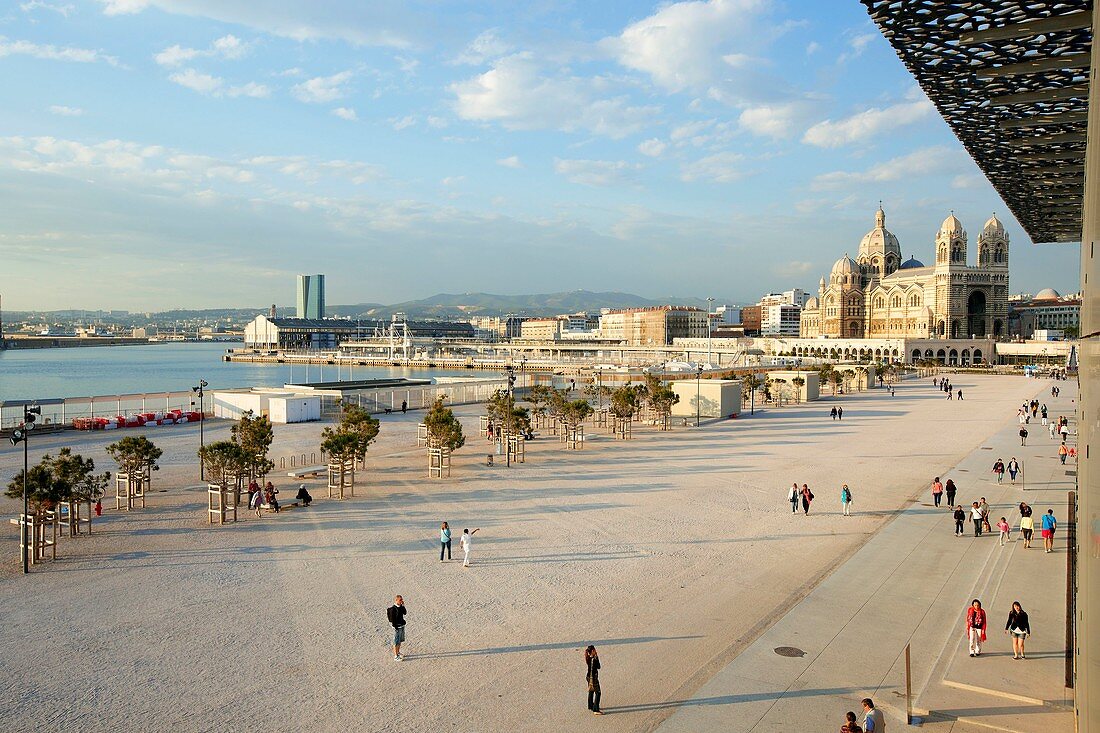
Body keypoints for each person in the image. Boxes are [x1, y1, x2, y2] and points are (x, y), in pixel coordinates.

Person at [387, 595, 407, 661]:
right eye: (400, 600)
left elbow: (405, 613)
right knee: (396, 641)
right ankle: (396, 656)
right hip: (397, 627)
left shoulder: (400, 607)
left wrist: (403, 605)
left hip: (401, 626)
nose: (401, 601)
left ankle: (398, 652)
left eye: (402, 599)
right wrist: (396, 627)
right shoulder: (393, 609)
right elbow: (393, 620)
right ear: (396, 600)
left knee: (399, 640)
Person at [584, 646, 602, 715]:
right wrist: (597, 657)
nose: (596, 651)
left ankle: (590, 705)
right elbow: (598, 667)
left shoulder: (588, 658)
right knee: (598, 693)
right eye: (594, 650)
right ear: (592, 651)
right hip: (592, 678)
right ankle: (596, 709)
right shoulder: (593, 660)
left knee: (591, 691)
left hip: (588, 677)